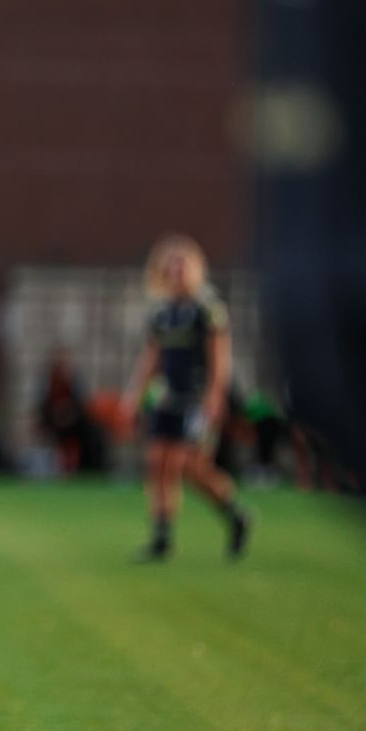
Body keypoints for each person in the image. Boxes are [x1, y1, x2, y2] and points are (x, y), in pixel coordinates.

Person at [119, 233, 251, 561]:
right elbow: (152, 358)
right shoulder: (162, 314)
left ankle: (235, 513)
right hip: (168, 396)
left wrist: (214, 397)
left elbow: (220, 358)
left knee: (189, 466)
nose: (176, 271)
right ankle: (162, 538)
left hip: (195, 397)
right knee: (157, 462)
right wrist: (134, 395)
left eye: (182, 264)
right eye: (170, 265)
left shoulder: (207, 310)